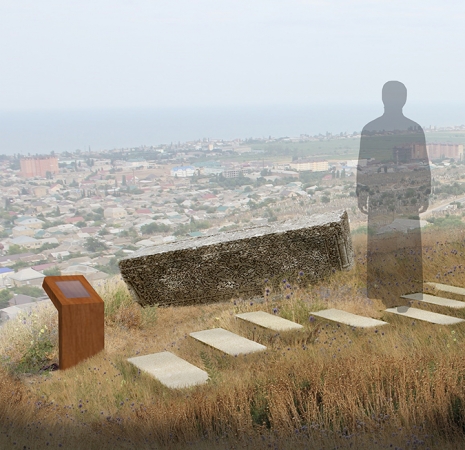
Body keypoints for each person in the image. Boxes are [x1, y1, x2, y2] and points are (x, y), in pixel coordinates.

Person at [356, 81, 431, 306]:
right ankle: (408, 289)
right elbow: (422, 165)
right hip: (405, 199)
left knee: (381, 243)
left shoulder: (370, 128)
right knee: (406, 243)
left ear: (383, 99)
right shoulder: (414, 128)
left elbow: (364, 165)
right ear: (404, 99)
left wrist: (362, 193)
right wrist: (423, 193)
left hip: (381, 198)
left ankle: (384, 291)